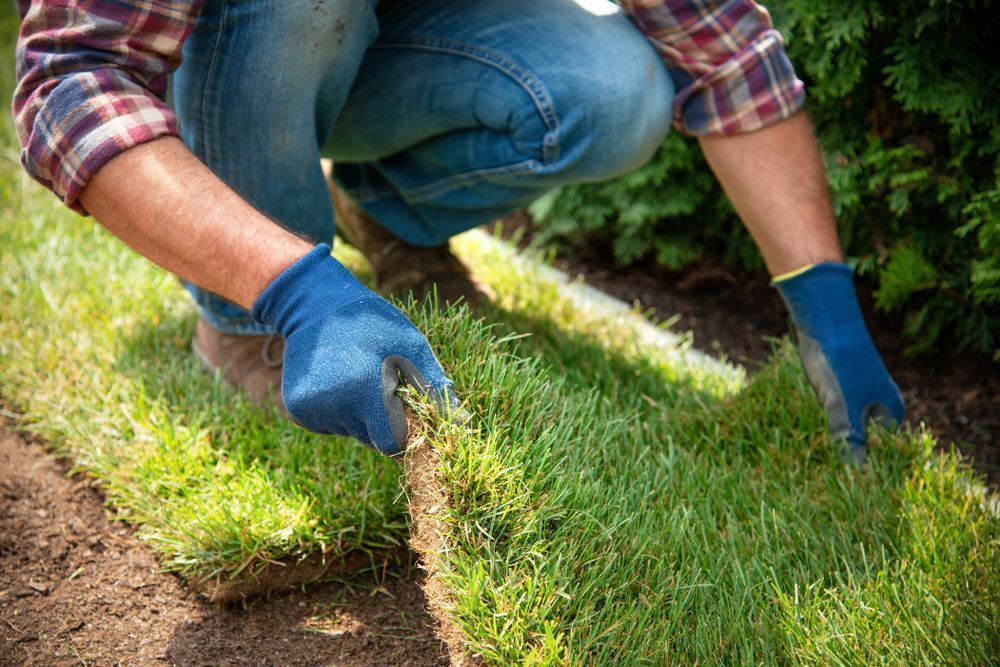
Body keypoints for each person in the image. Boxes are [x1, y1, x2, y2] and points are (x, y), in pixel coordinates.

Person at [13, 0, 904, 463]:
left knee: (616, 90)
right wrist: (293, 290)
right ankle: (241, 320)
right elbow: (68, 81)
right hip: (237, 51)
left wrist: (831, 312)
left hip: (390, 51)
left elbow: (729, 53)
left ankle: (385, 211)